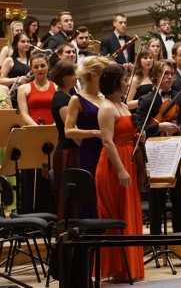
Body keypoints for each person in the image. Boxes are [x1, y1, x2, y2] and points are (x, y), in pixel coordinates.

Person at [137, 59, 181, 234]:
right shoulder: (146, 100)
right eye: (165, 73)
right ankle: (155, 237)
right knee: (156, 198)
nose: (170, 77)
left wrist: (177, 128)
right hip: (156, 154)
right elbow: (140, 127)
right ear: (156, 76)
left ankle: (180, 235)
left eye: (172, 74)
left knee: (180, 197)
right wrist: (160, 127)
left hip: (178, 151)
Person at [95, 64, 144, 282]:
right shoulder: (106, 107)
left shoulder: (122, 105)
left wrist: (138, 137)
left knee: (129, 211)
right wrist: (121, 169)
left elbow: (127, 134)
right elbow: (107, 141)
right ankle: (117, 268)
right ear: (115, 82)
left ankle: (129, 268)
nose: (128, 83)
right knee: (117, 214)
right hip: (114, 166)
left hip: (128, 161)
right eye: (124, 80)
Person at [64, 56, 110, 218]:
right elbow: (68, 131)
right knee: (91, 194)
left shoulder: (105, 98)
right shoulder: (76, 99)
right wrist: (95, 133)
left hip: (107, 150)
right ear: (93, 75)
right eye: (103, 74)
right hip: (90, 151)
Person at [16, 51, 55, 213]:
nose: (40, 69)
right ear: (31, 69)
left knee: (51, 174)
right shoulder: (24, 88)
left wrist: (52, 127)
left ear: (48, 66)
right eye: (36, 67)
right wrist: (38, 129)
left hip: (52, 133)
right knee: (32, 176)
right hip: (32, 134)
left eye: (42, 66)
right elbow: (24, 113)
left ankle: (51, 215)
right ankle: (32, 216)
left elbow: (59, 109)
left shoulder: (56, 86)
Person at [50, 60, 79, 219]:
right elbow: (71, 130)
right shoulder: (61, 99)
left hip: (72, 149)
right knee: (70, 196)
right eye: (72, 74)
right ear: (62, 77)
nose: (76, 77)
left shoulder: (70, 96)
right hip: (68, 151)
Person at [0, 33, 31, 104]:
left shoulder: (33, 59)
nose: (26, 44)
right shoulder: (9, 60)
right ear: (16, 44)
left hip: (30, 94)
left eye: (28, 41)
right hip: (15, 97)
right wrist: (17, 79)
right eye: (23, 41)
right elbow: (1, 80)